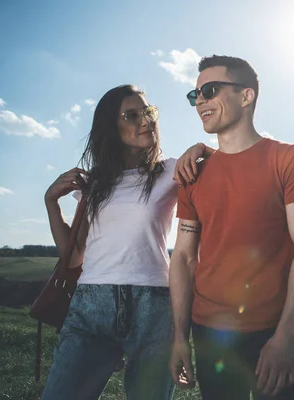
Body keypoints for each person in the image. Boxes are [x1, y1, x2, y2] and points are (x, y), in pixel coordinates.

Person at [168, 55, 294, 400]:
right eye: (195, 96)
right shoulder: (193, 171)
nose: (201, 102)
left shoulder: (289, 160)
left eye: (210, 90)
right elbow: (183, 257)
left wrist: (285, 337)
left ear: (246, 96)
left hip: (271, 333)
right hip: (209, 333)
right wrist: (180, 337)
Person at [41, 84, 212, 400]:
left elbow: (225, 168)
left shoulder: (171, 171)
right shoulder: (93, 183)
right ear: (111, 126)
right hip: (91, 307)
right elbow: (74, 254)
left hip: (155, 307)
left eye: (148, 111)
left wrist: (203, 149)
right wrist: (51, 202)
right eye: (132, 115)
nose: (145, 121)